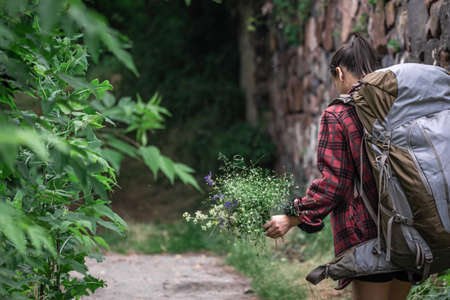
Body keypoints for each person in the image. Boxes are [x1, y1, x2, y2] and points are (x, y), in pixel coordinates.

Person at [263, 33, 412, 300]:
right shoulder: (397, 105)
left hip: (369, 236)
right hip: (409, 228)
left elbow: (335, 184)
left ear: (340, 74)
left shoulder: (339, 115)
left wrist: (292, 216)